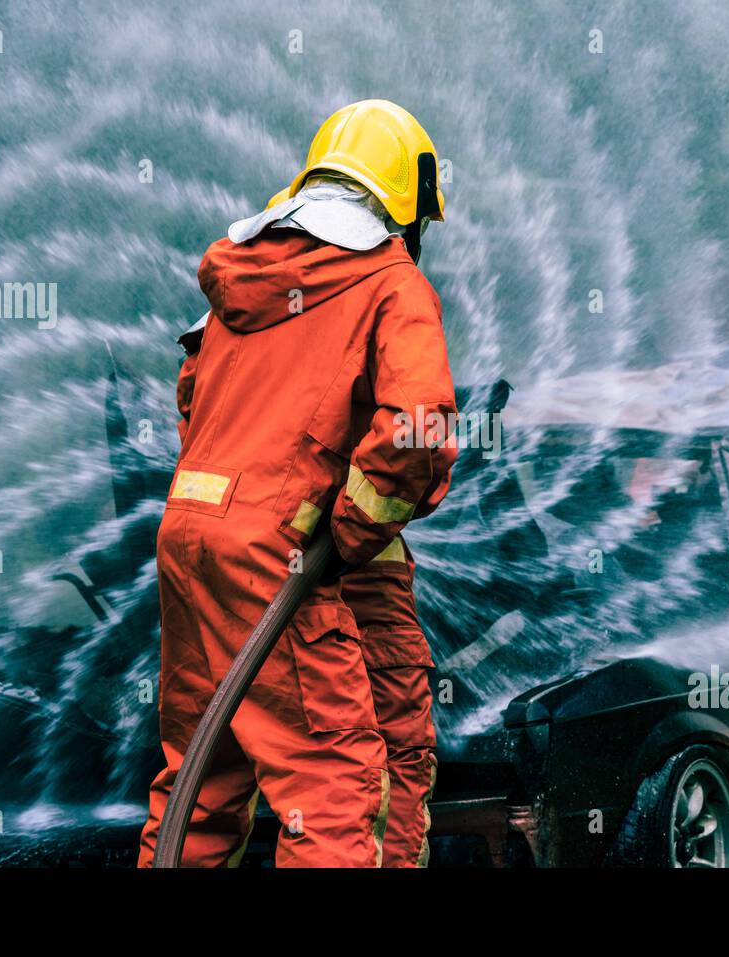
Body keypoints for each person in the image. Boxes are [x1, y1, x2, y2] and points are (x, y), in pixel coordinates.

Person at [136, 100, 456, 868]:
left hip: (193, 542)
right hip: (284, 552)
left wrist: (309, 514)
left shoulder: (246, 281)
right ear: (403, 205)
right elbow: (420, 428)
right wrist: (342, 531)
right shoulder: (389, 282)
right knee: (338, 784)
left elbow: (195, 404)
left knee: (203, 782)